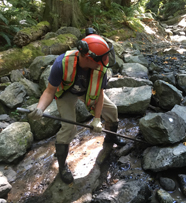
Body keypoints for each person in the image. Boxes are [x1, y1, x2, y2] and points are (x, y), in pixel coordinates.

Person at [28, 28, 125, 184]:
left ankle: (110, 138)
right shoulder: (62, 63)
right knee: (68, 127)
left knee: (112, 110)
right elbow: (49, 91)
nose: (104, 62)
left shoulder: (100, 66)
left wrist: (97, 119)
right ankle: (62, 166)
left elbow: (99, 93)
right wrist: (40, 109)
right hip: (66, 92)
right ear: (87, 57)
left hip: (89, 91)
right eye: (101, 59)